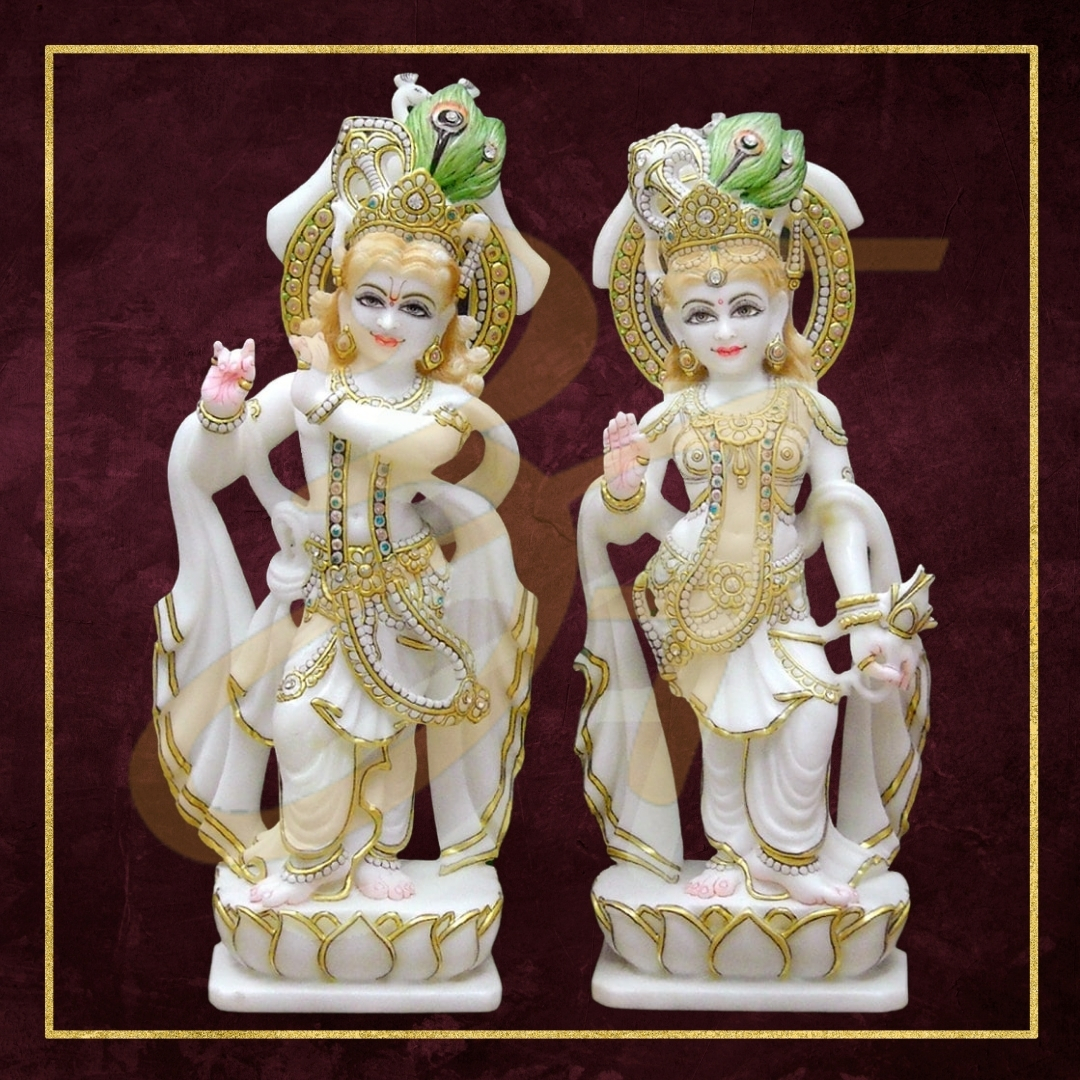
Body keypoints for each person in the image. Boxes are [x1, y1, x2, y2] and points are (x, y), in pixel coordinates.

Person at [153, 80, 545, 910]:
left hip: (408, 584)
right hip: (330, 590)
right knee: (303, 718)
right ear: (340, 293)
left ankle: (373, 850)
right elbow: (212, 466)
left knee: (391, 729)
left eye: (415, 307)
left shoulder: (437, 402)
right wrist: (219, 414)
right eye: (371, 298)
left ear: (445, 322)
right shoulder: (305, 386)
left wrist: (322, 401)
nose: (388, 323)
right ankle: (311, 861)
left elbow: (419, 448)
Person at [576, 113, 934, 908]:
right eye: (700, 315)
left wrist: (862, 614)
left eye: (744, 307)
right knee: (723, 731)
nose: (724, 330)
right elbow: (628, 517)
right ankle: (735, 859)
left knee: (811, 710)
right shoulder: (673, 412)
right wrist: (626, 486)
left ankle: (791, 858)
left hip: (784, 596)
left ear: (780, 311)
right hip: (699, 596)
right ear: (673, 324)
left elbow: (838, 508)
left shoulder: (809, 408)